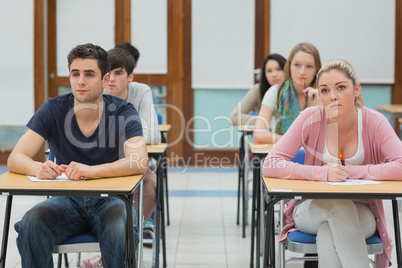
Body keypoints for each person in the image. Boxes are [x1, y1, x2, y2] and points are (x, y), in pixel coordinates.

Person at [7, 43, 148, 268]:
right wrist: (37, 168)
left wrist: (91, 171)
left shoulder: (123, 112)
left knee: (120, 227)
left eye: (89, 74)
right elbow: (15, 158)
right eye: (75, 74)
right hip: (65, 199)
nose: (80, 81)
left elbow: (139, 161)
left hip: (111, 198)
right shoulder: (53, 109)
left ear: (105, 79)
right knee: (31, 224)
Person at [263, 58, 402, 267]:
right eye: (325, 90)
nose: (332, 96)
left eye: (341, 87)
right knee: (338, 206)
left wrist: (352, 172)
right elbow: (271, 163)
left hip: (361, 211)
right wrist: (321, 174)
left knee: (328, 233)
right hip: (310, 208)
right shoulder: (310, 117)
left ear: (356, 89)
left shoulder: (374, 121)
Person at [105, 47, 160, 224]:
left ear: (130, 77)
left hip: (135, 161)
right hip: (98, 162)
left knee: (150, 186)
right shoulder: (94, 92)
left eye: (118, 73)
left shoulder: (141, 91)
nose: (111, 78)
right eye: (107, 72)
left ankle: (129, 238)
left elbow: (153, 136)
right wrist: (132, 132)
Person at [253, 42, 322, 143]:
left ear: (317, 69)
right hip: (284, 154)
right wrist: (295, 142)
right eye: (297, 65)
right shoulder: (275, 92)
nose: (302, 72)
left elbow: (336, 136)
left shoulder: (325, 94)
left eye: (309, 66)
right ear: (289, 66)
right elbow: (259, 134)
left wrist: (322, 105)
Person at [230, 53, 286, 126]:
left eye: (278, 69)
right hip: (263, 135)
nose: (274, 74)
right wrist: (264, 120)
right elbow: (234, 117)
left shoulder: (295, 89)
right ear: (264, 74)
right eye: (269, 71)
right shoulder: (258, 89)